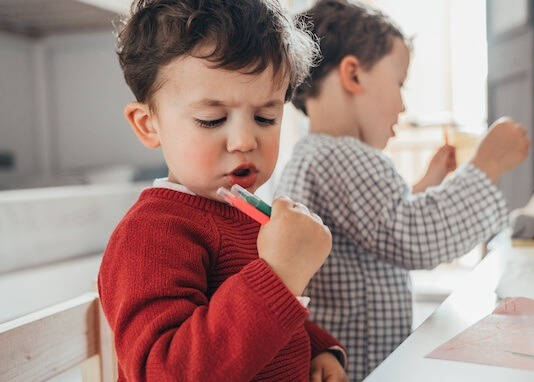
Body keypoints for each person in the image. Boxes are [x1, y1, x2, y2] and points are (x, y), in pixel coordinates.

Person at [275, 0, 530, 379]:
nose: (403, 105)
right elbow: (413, 236)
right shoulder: (341, 155)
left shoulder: (315, 154)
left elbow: (374, 225)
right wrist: (487, 164)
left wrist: (426, 184)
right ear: (353, 76)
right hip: (357, 365)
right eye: (398, 83)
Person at [97, 1, 348, 380]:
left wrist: (316, 348)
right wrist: (278, 275)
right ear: (149, 124)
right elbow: (163, 371)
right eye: (211, 119)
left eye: (266, 117)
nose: (245, 140)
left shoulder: (244, 212)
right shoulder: (151, 235)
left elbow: (262, 322)